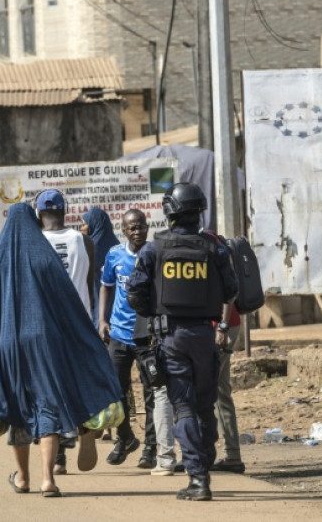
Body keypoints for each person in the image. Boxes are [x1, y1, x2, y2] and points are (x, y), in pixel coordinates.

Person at [0, 203, 122, 497]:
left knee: (19, 406)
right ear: (34, 222)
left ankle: (23, 478)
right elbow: (68, 303)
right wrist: (81, 335)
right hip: (45, 342)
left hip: (8, 344)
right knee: (46, 402)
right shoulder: (44, 257)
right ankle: (48, 479)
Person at [127, 182, 238, 501]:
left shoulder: (154, 249)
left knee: (184, 406)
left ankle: (198, 478)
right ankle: (205, 459)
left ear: (169, 212)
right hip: (206, 335)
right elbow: (231, 291)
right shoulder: (214, 247)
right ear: (198, 212)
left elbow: (135, 292)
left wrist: (155, 315)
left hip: (172, 338)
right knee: (205, 406)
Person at [99, 209, 168, 470]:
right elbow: (106, 285)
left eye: (141, 226)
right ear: (124, 231)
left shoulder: (155, 254)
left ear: (147, 227)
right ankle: (125, 437)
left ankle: (150, 446)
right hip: (118, 333)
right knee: (116, 391)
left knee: (151, 390)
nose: (137, 231)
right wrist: (102, 320)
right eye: (132, 228)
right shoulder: (115, 255)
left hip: (146, 336)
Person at [35, 189, 96, 474]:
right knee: (79, 382)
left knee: (50, 390)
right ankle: (85, 430)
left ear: (39, 214)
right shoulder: (84, 241)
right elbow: (89, 282)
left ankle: (58, 457)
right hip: (80, 324)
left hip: (47, 327)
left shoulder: (32, 244)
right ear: (64, 211)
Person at [210, 302, 245, 474]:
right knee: (220, 392)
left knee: (206, 388)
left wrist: (222, 327)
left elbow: (228, 295)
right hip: (221, 326)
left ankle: (201, 453)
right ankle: (233, 455)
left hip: (220, 328)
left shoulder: (217, 272)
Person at [82, 206, 120, 325]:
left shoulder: (88, 249)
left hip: (96, 310)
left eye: (84, 224)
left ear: (94, 225)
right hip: (117, 312)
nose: (81, 229)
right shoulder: (117, 247)